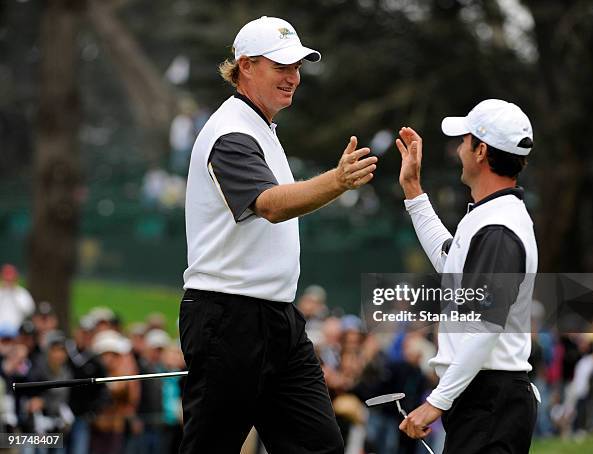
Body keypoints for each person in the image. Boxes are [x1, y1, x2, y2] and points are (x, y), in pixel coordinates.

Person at [179, 15, 377, 454]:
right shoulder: (230, 131)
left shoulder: (260, 127)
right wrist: (338, 181)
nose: (293, 78)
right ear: (245, 66)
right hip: (227, 318)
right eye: (281, 67)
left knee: (319, 446)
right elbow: (269, 205)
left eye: (297, 67)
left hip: (277, 320)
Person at [396, 99, 539, 453]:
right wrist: (413, 191)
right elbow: (450, 263)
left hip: (490, 400)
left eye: (464, 140)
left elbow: (485, 327)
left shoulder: (498, 227)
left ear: (481, 151)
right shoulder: (490, 217)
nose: (459, 148)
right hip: (486, 399)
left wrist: (436, 402)